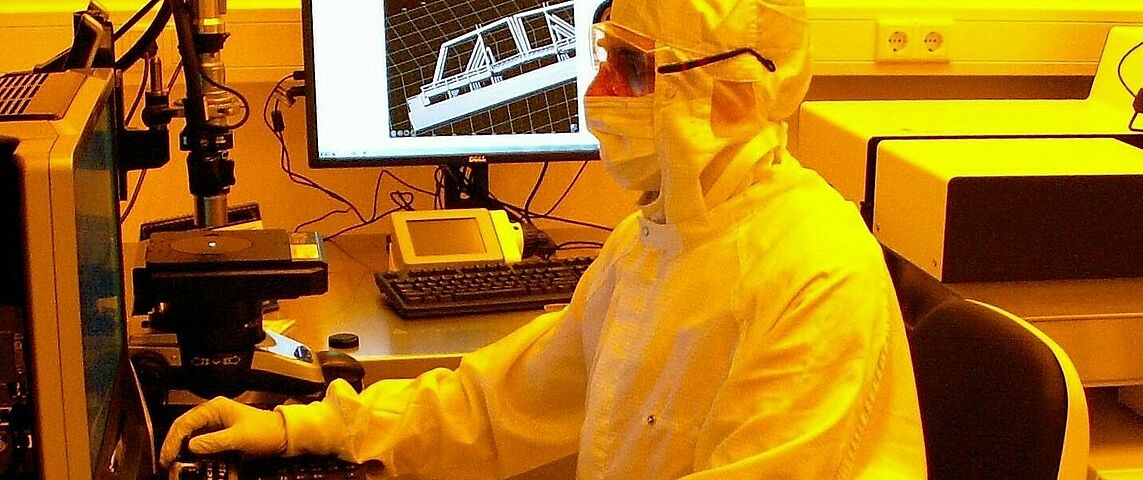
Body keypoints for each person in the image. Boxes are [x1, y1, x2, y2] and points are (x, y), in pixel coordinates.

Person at [158, 0, 927, 477]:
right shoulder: (653, 243)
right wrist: (299, 426)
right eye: (602, 58)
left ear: (730, 94)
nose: (598, 94)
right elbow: (494, 404)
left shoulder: (814, 271)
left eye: (630, 68)